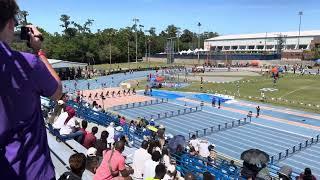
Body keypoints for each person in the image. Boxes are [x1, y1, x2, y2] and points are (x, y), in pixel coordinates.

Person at [0, 1, 62, 179]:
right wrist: (38, 51)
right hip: (32, 169)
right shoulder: (27, 63)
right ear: (11, 23)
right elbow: (57, 90)